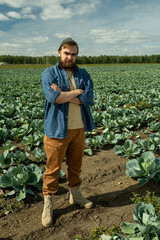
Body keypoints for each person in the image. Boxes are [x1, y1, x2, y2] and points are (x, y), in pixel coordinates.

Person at [41, 38, 95, 227]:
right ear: (59, 53)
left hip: (78, 129)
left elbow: (89, 98)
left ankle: (75, 194)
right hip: (56, 130)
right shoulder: (49, 73)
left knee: (75, 166)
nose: (70, 57)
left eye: (73, 54)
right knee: (52, 169)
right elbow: (52, 97)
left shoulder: (83, 73)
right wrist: (76, 93)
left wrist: (64, 95)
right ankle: (48, 202)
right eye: (66, 53)